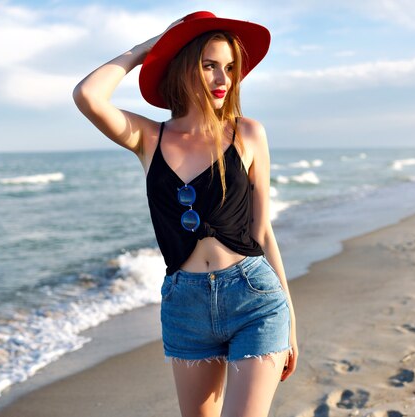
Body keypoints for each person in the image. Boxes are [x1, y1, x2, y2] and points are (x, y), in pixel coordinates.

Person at [73, 11, 298, 417]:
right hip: (185, 306)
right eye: (209, 65)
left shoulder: (247, 133)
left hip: (255, 298)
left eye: (229, 68)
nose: (222, 79)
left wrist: (291, 321)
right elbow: (88, 96)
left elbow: (262, 230)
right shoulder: (149, 137)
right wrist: (146, 49)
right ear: (183, 67)